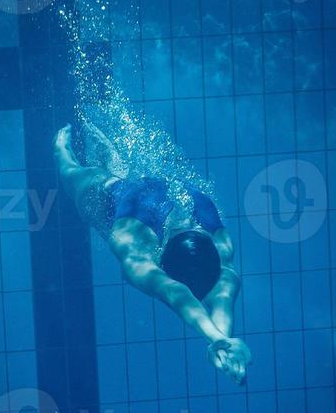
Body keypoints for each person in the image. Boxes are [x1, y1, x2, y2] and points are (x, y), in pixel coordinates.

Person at [55, 122, 251, 384]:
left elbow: (216, 303)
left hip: (145, 201)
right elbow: (177, 294)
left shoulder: (220, 253)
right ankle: (60, 148)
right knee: (75, 178)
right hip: (121, 200)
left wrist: (221, 341)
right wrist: (216, 338)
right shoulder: (136, 250)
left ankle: (95, 141)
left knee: (116, 174)